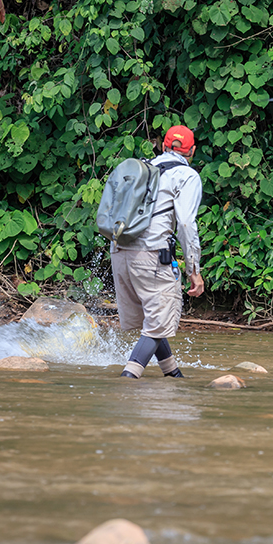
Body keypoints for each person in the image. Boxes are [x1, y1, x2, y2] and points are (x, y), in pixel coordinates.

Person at [111, 125, 205, 378]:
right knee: (157, 323)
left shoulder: (142, 169)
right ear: (192, 151)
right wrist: (193, 270)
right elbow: (185, 223)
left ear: (162, 146)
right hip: (152, 257)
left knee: (153, 321)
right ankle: (127, 379)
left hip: (119, 252)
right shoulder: (186, 175)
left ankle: (172, 374)